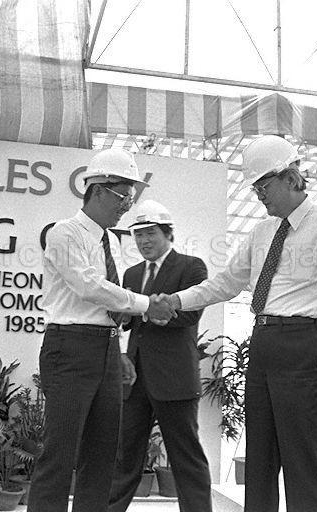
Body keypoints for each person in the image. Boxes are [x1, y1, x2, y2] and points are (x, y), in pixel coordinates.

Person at [161, 135, 317, 512]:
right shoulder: (261, 233)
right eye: (255, 187)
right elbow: (226, 284)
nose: (259, 195)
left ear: (291, 177)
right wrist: (176, 300)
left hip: (305, 342)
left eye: (264, 185)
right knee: (259, 456)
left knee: (301, 456)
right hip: (263, 342)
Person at [27, 148, 176, 512]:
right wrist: (144, 305)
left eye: (130, 195)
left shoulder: (109, 240)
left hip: (106, 348)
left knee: (103, 450)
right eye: (123, 194)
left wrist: (122, 341)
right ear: (97, 188)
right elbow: (90, 287)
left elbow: (108, 301)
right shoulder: (65, 233)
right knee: (60, 451)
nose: (127, 204)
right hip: (71, 347)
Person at [109, 200, 212, 512]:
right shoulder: (131, 273)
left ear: (168, 233)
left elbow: (190, 315)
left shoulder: (191, 266)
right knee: (126, 457)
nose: (144, 241)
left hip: (175, 381)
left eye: (150, 233)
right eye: (138, 235)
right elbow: (121, 320)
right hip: (135, 379)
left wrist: (151, 313)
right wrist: (119, 339)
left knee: (186, 458)